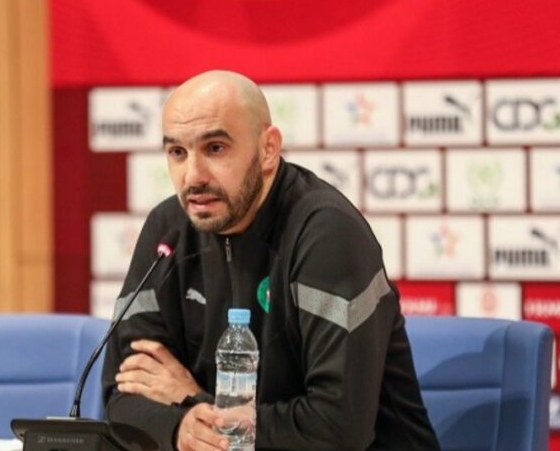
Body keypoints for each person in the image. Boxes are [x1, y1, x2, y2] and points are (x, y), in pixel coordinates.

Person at [101, 70, 440, 450]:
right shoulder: (167, 231)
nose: (193, 176)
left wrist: (194, 403)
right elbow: (121, 395)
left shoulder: (326, 234)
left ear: (268, 149)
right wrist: (180, 429)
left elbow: (338, 429)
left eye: (215, 148)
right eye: (178, 152)